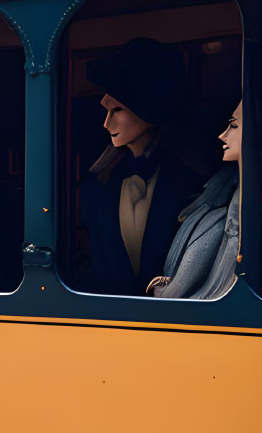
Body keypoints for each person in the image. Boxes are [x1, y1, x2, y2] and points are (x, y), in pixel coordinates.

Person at [80, 37, 201, 295]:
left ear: (149, 110)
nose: (106, 124)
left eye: (118, 110)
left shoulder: (190, 184)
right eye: (106, 110)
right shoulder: (97, 188)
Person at [147, 100, 262, 302]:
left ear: (258, 134)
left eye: (234, 126)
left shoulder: (241, 212)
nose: (223, 135)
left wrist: (165, 290)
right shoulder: (228, 193)